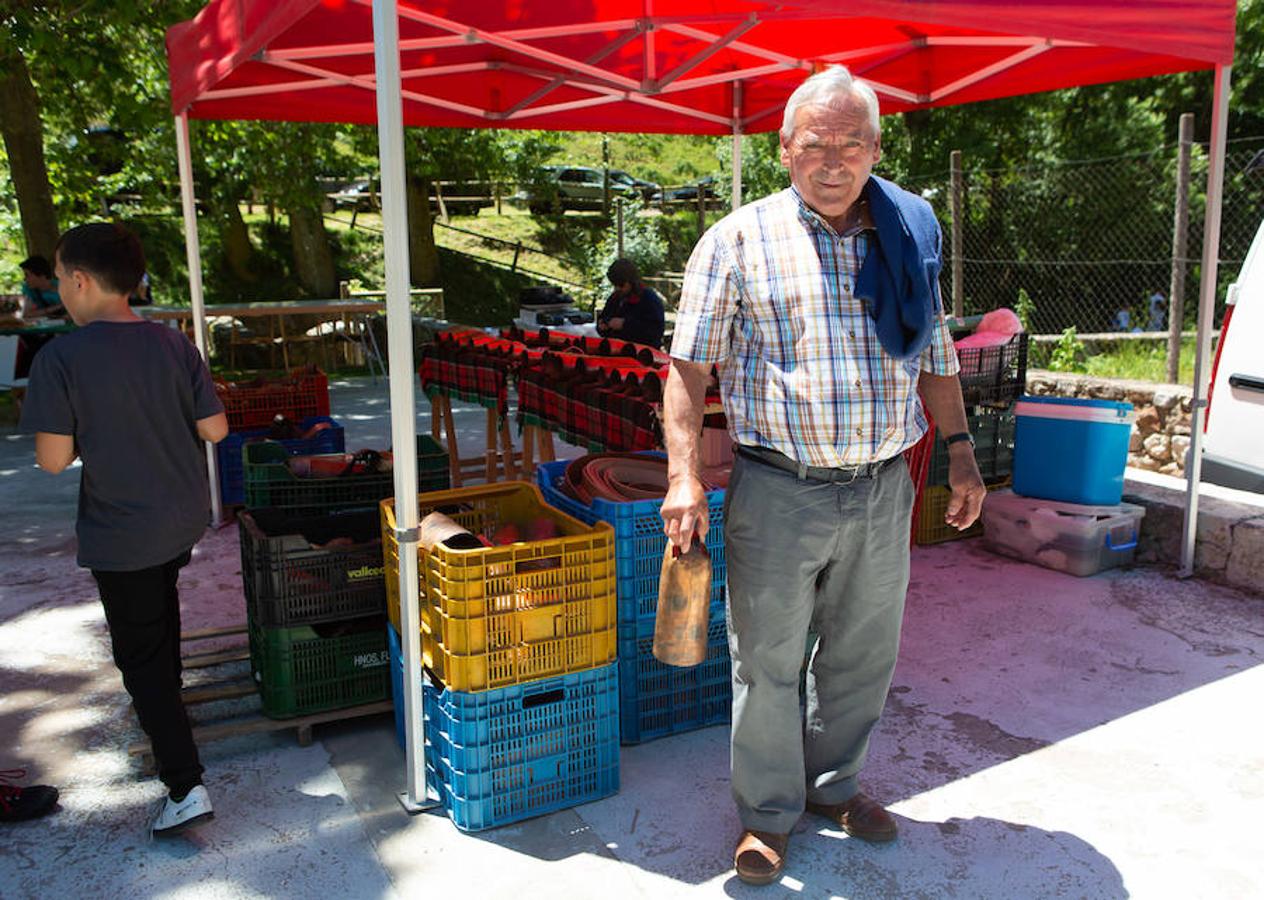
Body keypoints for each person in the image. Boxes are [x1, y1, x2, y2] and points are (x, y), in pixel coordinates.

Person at [660, 65, 985, 886]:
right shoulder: (736, 240)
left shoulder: (905, 234)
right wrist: (684, 475)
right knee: (767, 660)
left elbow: (938, 354)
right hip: (779, 488)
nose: (833, 161)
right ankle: (767, 818)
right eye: (815, 144)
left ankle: (836, 788)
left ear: (875, 149)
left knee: (862, 655)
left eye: (851, 143)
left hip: (883, 485)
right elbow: (688, 370)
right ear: (784, 149)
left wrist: (960, 450)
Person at [19, 222, 228, 838]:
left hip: (122, 530)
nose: (58, 287)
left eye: (58, 277)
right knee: (157, 629)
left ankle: (184, 785)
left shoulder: (62, 357)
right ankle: (172, 724)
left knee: (140, 656)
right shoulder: (173, 344)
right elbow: (215, 429)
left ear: (81, 281)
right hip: (178, 519)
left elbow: (53, 459)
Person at [14, 255, 67, 379]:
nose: (25, 279)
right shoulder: (28, 289)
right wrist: (56, 308)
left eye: (28, 275)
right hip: (38, 334)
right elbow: (26, 313)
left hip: (60, 334)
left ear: (41, 275)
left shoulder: (63, 287)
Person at [596, 258, 665, 349]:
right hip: (616, 353)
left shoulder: (649, 299)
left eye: (621, 285)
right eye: (615, 285)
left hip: (643, 355)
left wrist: (625, 325)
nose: (617, 288)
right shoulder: (615, 298)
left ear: (631, 282)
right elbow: (604, 319)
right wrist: (602, 326)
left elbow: (655, 332)